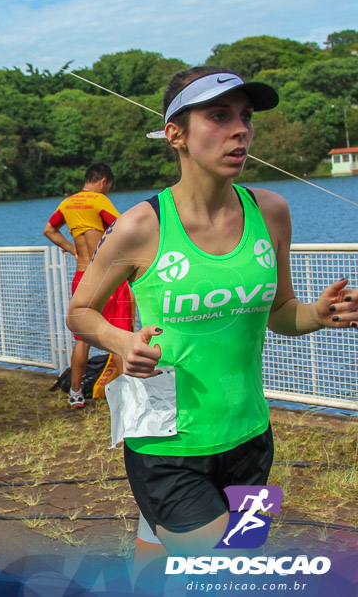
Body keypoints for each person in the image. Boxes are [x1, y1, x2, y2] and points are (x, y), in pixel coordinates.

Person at [67, 66, 357, 556]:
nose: (240, 129)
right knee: (226, 570)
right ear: (175, 134)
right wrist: (122, 341)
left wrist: (316, 315)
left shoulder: (271, 212)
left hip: (249, 434)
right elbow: (80, 312)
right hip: (167, 445)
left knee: (195, 555)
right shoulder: (141, 225)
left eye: (245, 116)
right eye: (219, 116)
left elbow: (281, 311)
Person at [44, 162, 133, 408]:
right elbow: (125, 229)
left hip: (82, 275)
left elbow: (50, 230)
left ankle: (75, 393)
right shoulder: (99, 201)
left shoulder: (67, 204)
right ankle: (128, 396)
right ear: (104, 181)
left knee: (82, 338)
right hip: (107, 277)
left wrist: (73, 249)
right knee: (120, 336)